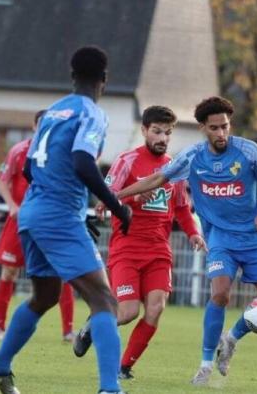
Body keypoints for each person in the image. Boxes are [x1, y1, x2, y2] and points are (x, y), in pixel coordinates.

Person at [0, 45, 132, 394]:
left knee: (45, 296)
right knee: (105, 300)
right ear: (104, 80)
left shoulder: (53, 111)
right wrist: (115, 206)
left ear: (72, 76)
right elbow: (81, 160)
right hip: (58, 215)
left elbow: (32, 167)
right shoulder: (92, 112)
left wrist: (65, 204)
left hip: (33, 213)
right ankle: (111, 389)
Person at [113, 96, 257, 385]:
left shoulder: (250, 152)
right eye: (214, 128)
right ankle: (205, 365)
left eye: (225, 127)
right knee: (220, 294)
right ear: (203, 127)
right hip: (220, 239)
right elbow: (156, 180)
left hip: (254, 239)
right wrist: (115, 195)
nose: (221, 134)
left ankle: (230, 339)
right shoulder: (192, 157)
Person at [73, 105, 205, 380]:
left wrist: (193, 232)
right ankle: (92, 325)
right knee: (129, 311)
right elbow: (107, 196)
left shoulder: (175, 168)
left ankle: (124, 366)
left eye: (167, 133)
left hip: (159, 249)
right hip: (127, 246)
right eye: (157, 131)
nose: (162, 138)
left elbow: (182, 207)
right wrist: (133, 198)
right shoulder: (128, 160)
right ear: (144, 130)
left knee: (156, 308)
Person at [0, 110, 76, 343]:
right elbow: (2, 180)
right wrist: (12, 206)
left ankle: (68, 331)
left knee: (62, 274)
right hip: (20, 222)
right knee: (9, 271)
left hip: (50, 223)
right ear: (34, 126)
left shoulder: (62, 153)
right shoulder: (19, 151)